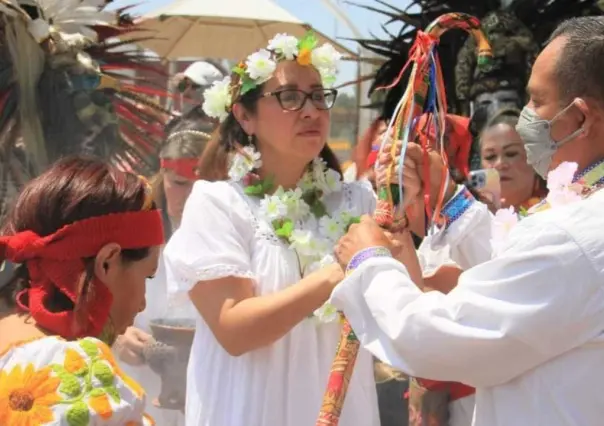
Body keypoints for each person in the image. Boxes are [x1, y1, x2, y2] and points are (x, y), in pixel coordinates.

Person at [329, 16, 604, 425]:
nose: (524, 114)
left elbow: (440, 338)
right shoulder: (581, 214)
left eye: (535, 100)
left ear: (580, 118)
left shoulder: (577, 235)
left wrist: (368, 262)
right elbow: (518, 272)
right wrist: (447, 195)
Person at [163, 32, 388, 426]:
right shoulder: (218, 205)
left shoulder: (358, 202)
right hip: (248, 410)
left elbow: (401, 303)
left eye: (318, 95)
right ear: (244, 116)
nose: (310, 110)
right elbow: (235, 330)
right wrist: (338, 270)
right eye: (289, 97)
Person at [0, 156, 165, 425]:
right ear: (107, 262)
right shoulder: (74, 370)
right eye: (148, 276)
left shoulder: (8, 338)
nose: (143, 304)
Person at [114, 108, 216, 425]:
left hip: (211, 390)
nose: (192, 197)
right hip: (139, 386)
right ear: (164, 174)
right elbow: (89, 297)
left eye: (205, 186)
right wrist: (116, 334)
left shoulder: (241, 236)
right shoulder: (131, 227)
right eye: (180, 183)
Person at [479, 109, 546, 211]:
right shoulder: (469, 220)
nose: (500, 164)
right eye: (490, 156)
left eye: (511, 154)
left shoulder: (559, 213)